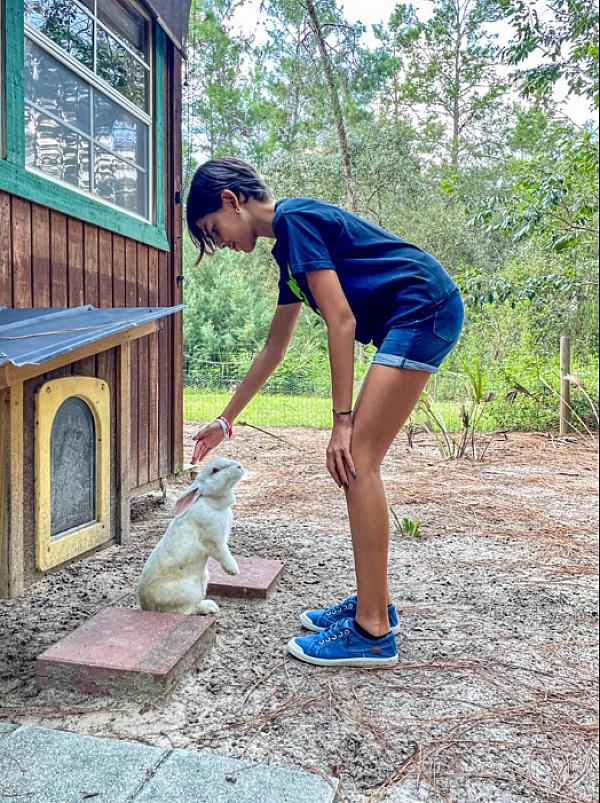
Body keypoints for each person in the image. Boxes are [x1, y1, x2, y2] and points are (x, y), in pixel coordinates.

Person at [186, 157, 464, 668]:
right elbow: (274, 349)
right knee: (356, 464)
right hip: (417, 311)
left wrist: (341, 421)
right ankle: (372, 605)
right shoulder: (288, 254)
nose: (219, 241)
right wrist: (225, 421)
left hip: (423, 307)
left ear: (230, 200)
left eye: (213, 229)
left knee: (355, 458)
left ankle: (373, 631)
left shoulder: (295, 222)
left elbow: (341, 320)